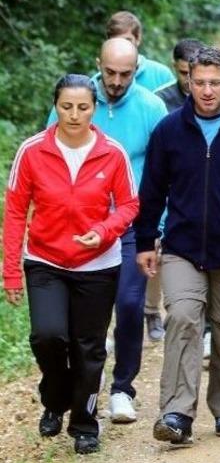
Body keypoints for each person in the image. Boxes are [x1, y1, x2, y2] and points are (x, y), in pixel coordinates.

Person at [4, 75, 139, 454]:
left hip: (98, 265)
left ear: (94, 109)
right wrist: (11, 271)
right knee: (48, 336)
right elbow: (15, 212)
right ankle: (55, 397)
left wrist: (104, 230)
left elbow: (130, 204)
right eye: (66, 107)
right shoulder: (32, 151)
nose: (74, 115)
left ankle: (84, 423)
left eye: (83, 107)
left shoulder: (112, 152)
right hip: (45, 259)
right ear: (56, 107)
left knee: (88, 347)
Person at [135, 47, 220, 446]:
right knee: (185, 318)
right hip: (182, 247)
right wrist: (144, 242)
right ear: (187, 82)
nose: (207, 91)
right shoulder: (170, 129)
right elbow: (152, 190)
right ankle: (176, 411)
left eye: (215, 83)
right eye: (199, 82)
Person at [51, 38, 168, 423]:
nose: (116, 81)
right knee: (82, 316)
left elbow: (164, 168)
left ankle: (123, 388)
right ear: (97, 64)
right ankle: (84, 389)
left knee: (131, 304)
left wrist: (159, 224)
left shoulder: (151, 108)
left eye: (126, 73)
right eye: (109, 72)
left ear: (139, 69)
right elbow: (47, 153)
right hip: (81, 225)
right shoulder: (77, 101)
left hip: (132, 225)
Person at [143, 37, 204, 346]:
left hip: (198, 196)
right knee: (156, 251)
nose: (190, 82)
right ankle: (152, 309)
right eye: (183, 73)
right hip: (166, 189)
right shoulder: (159, 101)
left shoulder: (215, 96)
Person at [103, 11, 175, 91]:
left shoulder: (161, 75)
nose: (122, 47)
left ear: (138, 39)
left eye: (127, 41)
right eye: (116, 42)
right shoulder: (100, 80)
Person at [153, 38, 203, 113]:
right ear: (174, 66)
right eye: (184, 73)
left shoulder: (219, 95)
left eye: (195, 73)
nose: (189, 79)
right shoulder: (159, 100)